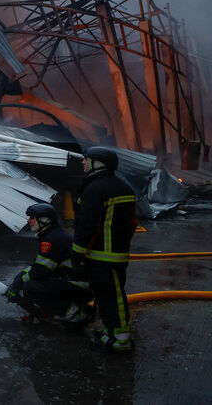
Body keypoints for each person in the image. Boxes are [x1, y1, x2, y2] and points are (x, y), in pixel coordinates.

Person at [74, 146, 138, 352]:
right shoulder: (123, 187)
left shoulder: (95, 189)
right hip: (116, 255)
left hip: (100, 257)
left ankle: (120, 341)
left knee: (110, 299)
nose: (83, 162)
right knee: (113, 297)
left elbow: (88, 226)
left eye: (87, 159)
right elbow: (132, 223)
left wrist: (78, 252)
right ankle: (112, 334)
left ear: (98, 163)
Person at [5, 202, 94, 325]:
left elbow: (39, 273)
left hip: (82, 287)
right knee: (31, 283)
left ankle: (77, 316)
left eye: (32, 217)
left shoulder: (52, 239)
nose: (28, 221)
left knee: (31, 288)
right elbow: (38, 267)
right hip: (80, 285)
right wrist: (18, 278)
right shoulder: (53, 235)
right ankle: (60, 311)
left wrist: (17, 284)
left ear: (45, 220)